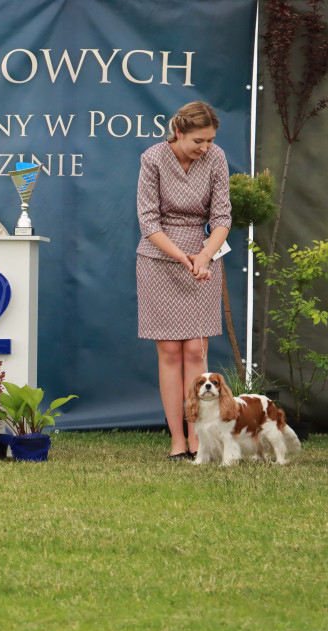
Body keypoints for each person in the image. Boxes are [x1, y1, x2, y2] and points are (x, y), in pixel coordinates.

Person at [136, 101, 231, 460]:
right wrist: (183, 257)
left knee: (196, 350)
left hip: (203, 259)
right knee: (169, 353)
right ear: (179, 132)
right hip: (159, 259)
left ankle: (198, 439)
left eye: (209, 141)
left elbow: (222, 216)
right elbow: (149, 222)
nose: (205, 148)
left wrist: (204, 256)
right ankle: (177, 440)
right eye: (198, 141)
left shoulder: (216, 158)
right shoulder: (153, 158)